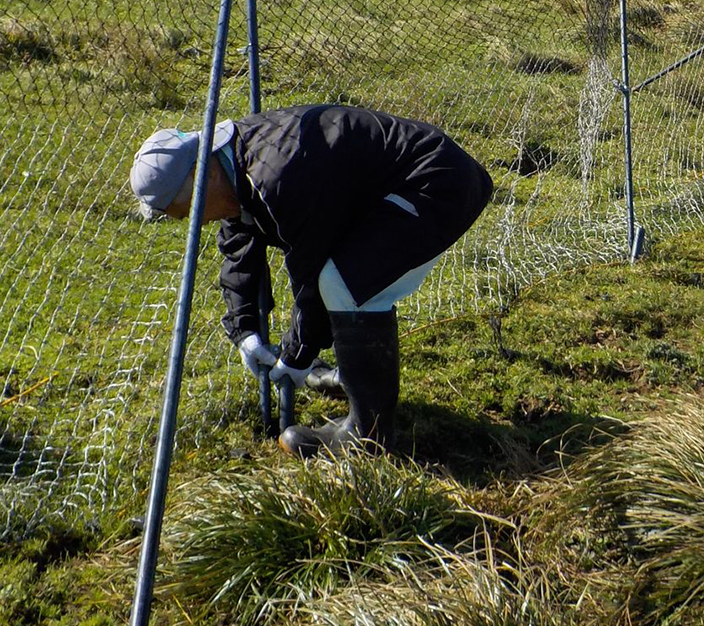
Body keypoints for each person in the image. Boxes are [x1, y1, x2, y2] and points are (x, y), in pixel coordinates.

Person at [129, 104, 493, 458]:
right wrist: (245, 332)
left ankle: (367, 439)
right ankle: (352, 387)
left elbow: (309, 271)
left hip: (437, 184)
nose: (194, 224)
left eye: (189, 211)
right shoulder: (232, 167)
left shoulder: (277, 175)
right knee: (345, 282)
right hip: (394, 188)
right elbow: (239, 245)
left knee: (343, 284)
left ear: (204, 174)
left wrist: (297, 355)